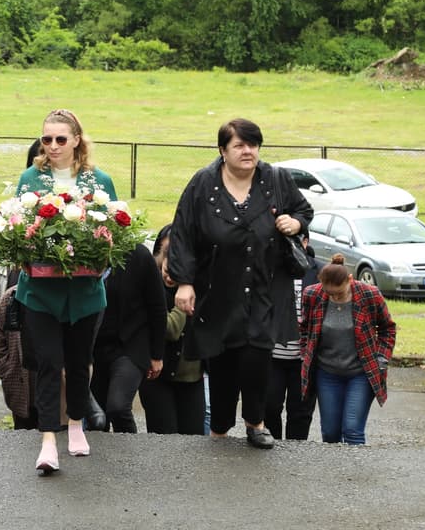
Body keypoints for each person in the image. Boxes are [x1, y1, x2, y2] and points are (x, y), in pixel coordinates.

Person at [167, 118, 313, 449]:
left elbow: (303, 210)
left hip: (264, 285)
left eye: (253, 145)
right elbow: (183, 232)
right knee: (222, 359)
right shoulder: (203, 183)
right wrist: (184, 282)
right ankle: (219, 427)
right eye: (239, 145)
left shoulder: (275, 178)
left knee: (257, 356)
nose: (248, 151)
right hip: (217, 287)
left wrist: (295, 222)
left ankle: (255, 423)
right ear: (223, 150)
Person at [15, 108, 116, 475]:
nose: (53, 145)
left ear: (76, 140)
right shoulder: (31, 178)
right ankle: (47, 439)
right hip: (40, 293)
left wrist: (99, 250)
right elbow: (18, 225)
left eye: (61, 138)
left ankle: (76, 422)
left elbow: (112, 231)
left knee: (78, 362)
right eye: (47, 139)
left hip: (84, 293)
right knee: (47, 362)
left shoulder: (99, 180)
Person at [301, 253, 396, 445]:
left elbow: (388, 328)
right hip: (327, 373)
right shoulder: (312, 295)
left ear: (350, 280)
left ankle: (356, 465)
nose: (335, 297)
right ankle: (336, 465)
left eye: (339, 292)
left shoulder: (369, 295)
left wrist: (381, 359)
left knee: (352, 429)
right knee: (330, 433)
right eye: (330, 293)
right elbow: (304, 328)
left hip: (361, 373)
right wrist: (305, 353)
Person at [90, 242, 166, 433]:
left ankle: (127, 448)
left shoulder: (138, 255)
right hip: (94, 347)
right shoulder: (86, 252)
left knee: (118, 407)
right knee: (96, 418)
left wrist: (157, 355)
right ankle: (99, 453)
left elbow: (157, 307)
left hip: (130, 346)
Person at [138, 225, 205, 435]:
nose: (170, 277)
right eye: (167, 270)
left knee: (193, 440)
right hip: (157, 376)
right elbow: (171, 329)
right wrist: (184, 298)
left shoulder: (201, 286)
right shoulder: (149, 285)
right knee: (164, 440)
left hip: (191, 378)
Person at [264, 237, 318, 440]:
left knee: (301, 411)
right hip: (272, 355)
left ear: (305, 242)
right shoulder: (269, 268)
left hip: (304, 358)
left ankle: (296, 452)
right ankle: (272, 446)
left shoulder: (319, 271)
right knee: (269, 407)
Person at [0, 284, 38, 429]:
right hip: (22, 388)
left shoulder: (62, 294)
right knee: (23, 434)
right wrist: (7, 370)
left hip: (56, 392)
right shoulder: (10, 298)